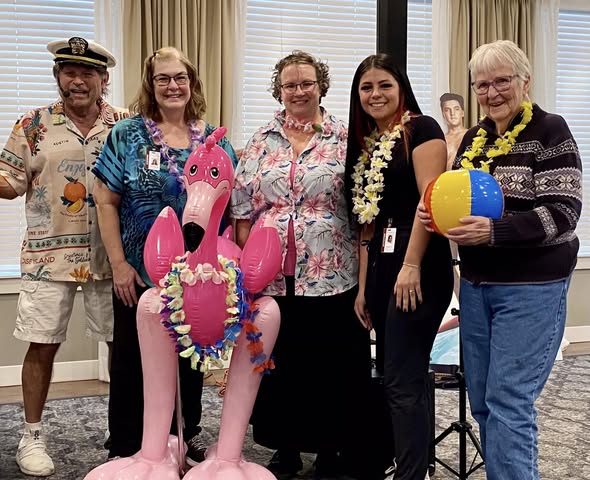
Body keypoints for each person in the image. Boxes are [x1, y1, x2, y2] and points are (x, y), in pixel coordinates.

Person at [418, 40, 582, 480]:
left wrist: (496, 231)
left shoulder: (551, 131)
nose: (492, 93)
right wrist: (435, 215)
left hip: (532, 288)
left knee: (509, 398)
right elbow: (462, 202)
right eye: (482, 84)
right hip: (475, 286)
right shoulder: (474, 138)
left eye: (502, 81)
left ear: (524, 81)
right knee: (484, 402)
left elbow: (563, 213)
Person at [92, 47, 238, 464]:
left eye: (180, 78)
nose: (173, 86)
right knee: (133, 360)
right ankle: (125, 445)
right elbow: (105, 201)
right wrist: (119, 265)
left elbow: (229, 206)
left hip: (196, 273)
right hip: (139, 272)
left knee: (189, 357)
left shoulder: (214, 141)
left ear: (191, 83)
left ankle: (184, 434)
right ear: (150, 86)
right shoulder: (126, 135)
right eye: (163, 79)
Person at [230, 50, 370, 479]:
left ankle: (331, 449)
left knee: (330, 365)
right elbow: (241, 211)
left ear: (321, 86)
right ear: (279, 90)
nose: (298, 91)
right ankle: (285, 446)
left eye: (306, 82)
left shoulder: (346, 138)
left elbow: (365, 212)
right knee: (280, 365)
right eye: (289, 84)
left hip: (332, 273)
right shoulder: (260, 140)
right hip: (272, 278)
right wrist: (249, 271)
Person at [0, 37, 128, 477]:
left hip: (112, 257)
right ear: (58, 78)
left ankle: (125, 431)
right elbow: (10, 181)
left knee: (123, 346)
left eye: (87, 72)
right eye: (69, 72)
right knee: (42, 346)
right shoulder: (32, 125)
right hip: (47, 257)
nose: (78, 80)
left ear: (103, 78)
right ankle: (31, 436)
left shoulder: (124, 125)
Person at [344, 53, 453, 480]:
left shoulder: (422, 129)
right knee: (399, 373)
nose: (375, 94)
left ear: (401, 87)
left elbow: (432, 202)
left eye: (384, 85)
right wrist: (363, 288)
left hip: (418, 257)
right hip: (384, 260)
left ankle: (411, 474)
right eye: (367, 87)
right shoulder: (370, 141)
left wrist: (411, 265)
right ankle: (414, 463)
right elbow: (368, 225)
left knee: (401, 378)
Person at [439, 92, 468, 170]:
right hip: (444, 180)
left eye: (456, 109)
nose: (452, 113)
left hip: (465, 180)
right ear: (443, 114)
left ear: (462, 112)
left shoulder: (472, 136)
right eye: (447, 110)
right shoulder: (440, 140)